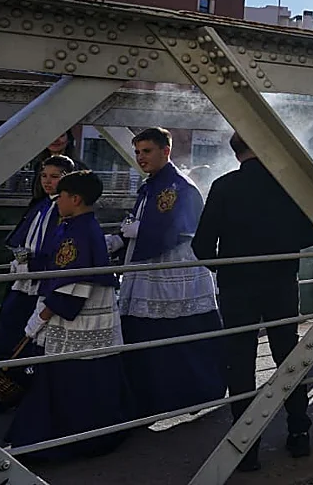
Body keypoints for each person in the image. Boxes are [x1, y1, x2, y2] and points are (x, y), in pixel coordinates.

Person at [192, 132, 313, 472]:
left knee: (240, 362)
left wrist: (228, 265)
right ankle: (299, 432)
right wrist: (283, 248)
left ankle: (245, 449)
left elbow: (201, 246)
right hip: (280, 282)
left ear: (236, 153)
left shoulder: (223, 186)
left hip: (237, 287)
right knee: (288, 356)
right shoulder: (287, 184)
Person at [6, 171, 134, 460]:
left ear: (74, 199)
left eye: (60, 196)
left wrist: (41, 317)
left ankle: (72, 440)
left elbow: (71, 287)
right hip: (81, 309)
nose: (56, 201)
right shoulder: (77, 225)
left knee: (73, 376)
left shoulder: (77, 232)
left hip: (79, 316)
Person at [111, 127, 225, 418]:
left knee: (179, 334)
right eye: (137, 152)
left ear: (166, 151)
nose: (140, 158)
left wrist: (141, 231)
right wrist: (121, 237)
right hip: (147, 268)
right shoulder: (153, 184)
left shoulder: (178, 186)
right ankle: (152, 396)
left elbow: (181, 229)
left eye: (147, 151)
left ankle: (194, 392)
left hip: (173, 272)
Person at [0, 155, 76, 412]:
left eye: (54, 177)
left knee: (27, 336)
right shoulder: (43, 204)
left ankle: (19, 390)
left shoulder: (65, 209)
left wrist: (33, 266)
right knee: (9, 330)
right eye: (44, 176)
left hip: (40, 281)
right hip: (24, 278)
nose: (47, 181)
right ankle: (6, 387)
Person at [27, 130, 86, 200]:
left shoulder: (79, 168)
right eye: (51, 136)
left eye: (61, 135)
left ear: (68, 139)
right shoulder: (39, 165)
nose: (55, 140)